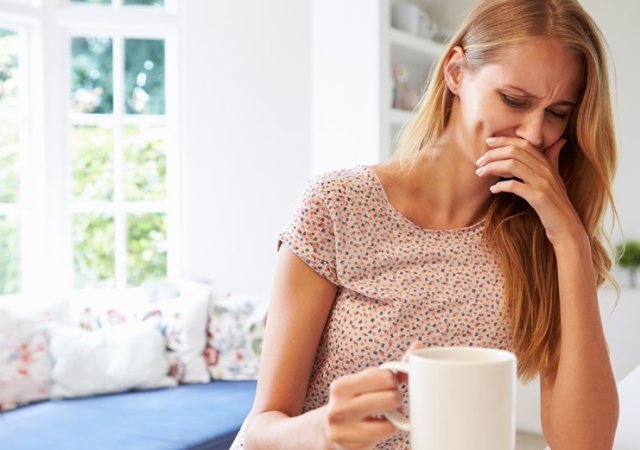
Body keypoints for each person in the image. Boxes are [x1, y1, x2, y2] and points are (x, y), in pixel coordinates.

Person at [236, 0, 619, 448]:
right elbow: (261, 429)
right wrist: (324, 429)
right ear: (456, 72)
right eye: (514, 100)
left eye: (557, 113)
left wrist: (571, 239)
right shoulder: (338, 205)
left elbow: (586, 445)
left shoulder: (543, 241)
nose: (534, 134)